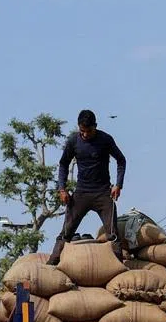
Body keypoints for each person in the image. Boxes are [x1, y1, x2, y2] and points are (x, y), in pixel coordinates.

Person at [46, 109, 127, 267]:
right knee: (66, 233)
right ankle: (51, 264)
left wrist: (118, 185)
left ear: (95, 126)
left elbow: (121, 161)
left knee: (113, 235)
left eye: (88, 131)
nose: (85, 135)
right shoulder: (73, 141)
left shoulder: (105, 140)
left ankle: (119, 267)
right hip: (81, 194)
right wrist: (61, 189)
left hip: (103, 193)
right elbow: (63, 164)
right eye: (82, 131)